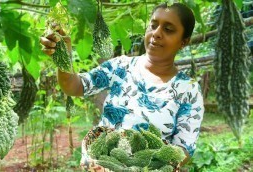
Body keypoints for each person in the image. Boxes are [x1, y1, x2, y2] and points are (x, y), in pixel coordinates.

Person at [40, 2, 204, 171]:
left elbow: (185, 148)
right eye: (153, 26)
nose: (156, 33)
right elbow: (74, 86)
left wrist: (151, 167)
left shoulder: (188, 90)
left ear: (184, 42)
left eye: (168, 29)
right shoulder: (121, 67)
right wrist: (63, 56)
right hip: (100, 166)